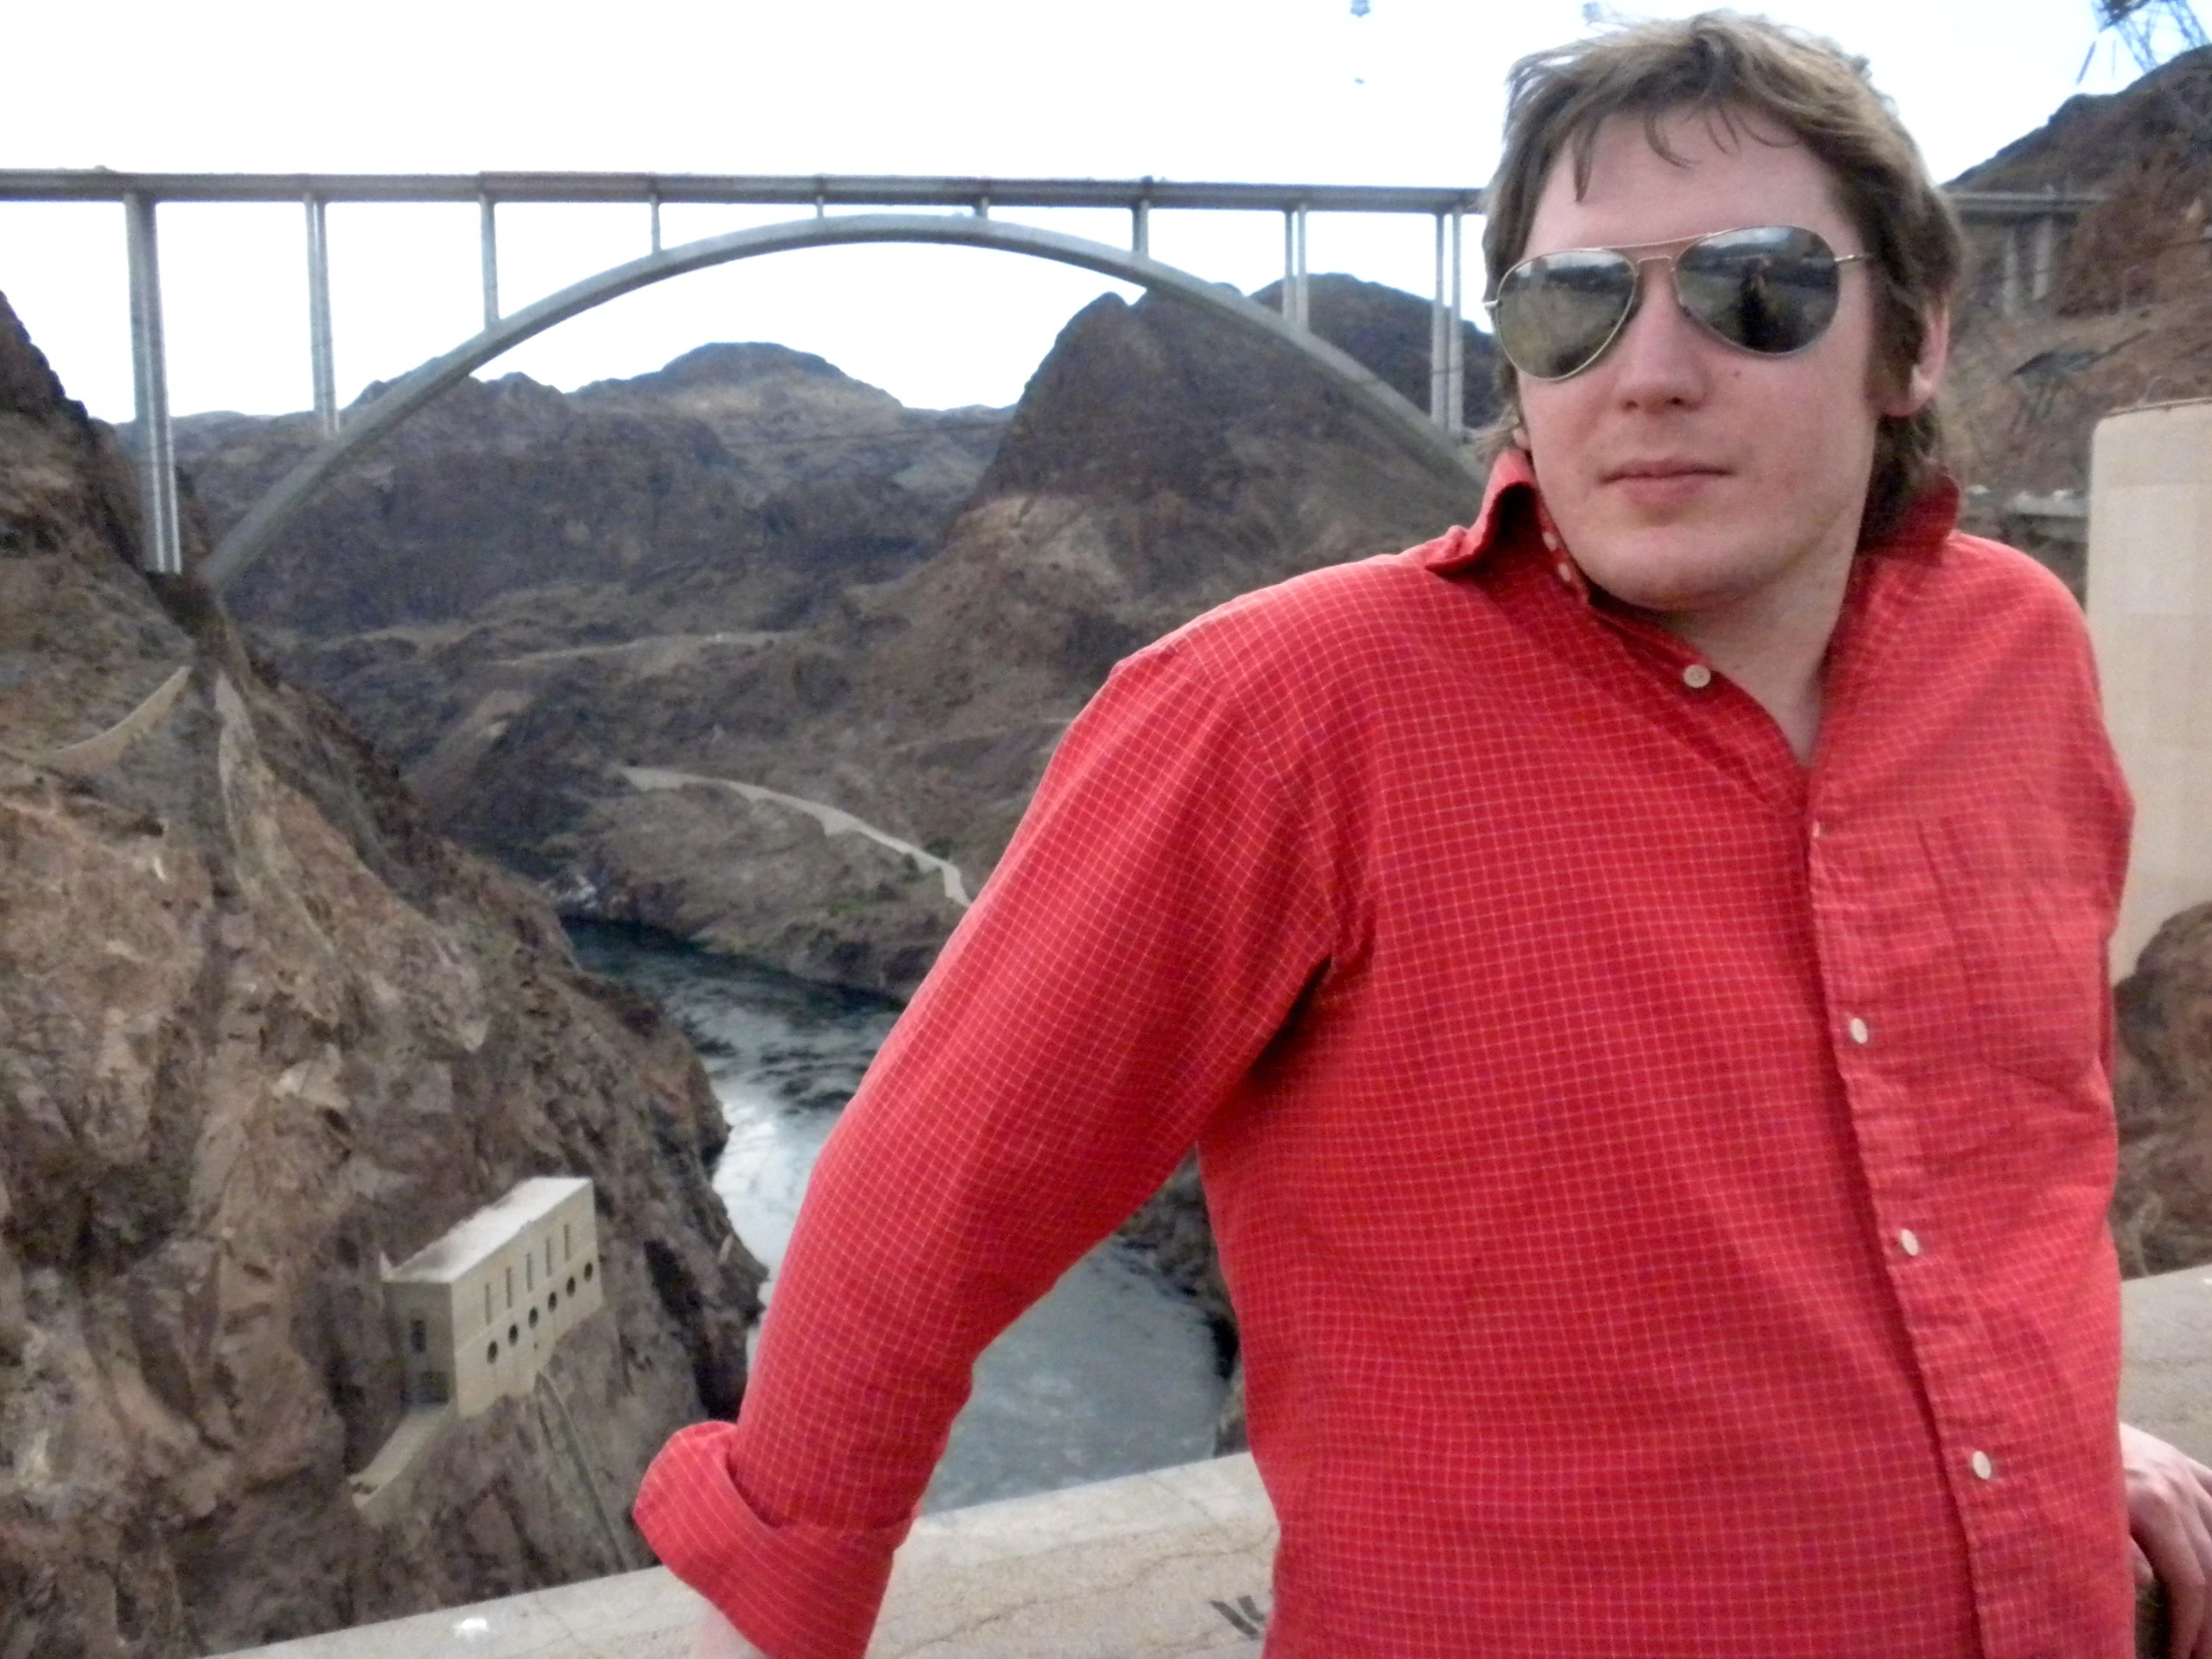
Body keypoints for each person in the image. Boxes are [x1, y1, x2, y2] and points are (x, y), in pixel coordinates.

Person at [636, 13, 2212, 1657]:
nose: (1652, 369)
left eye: (1759, 289)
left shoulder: (2016, 651)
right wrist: (793, 1573)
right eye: (1574, 303)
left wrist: (2025, 1437)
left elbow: (1992, 1151)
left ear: (1917, 337)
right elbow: (932, 1189)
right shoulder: (1290, 709)